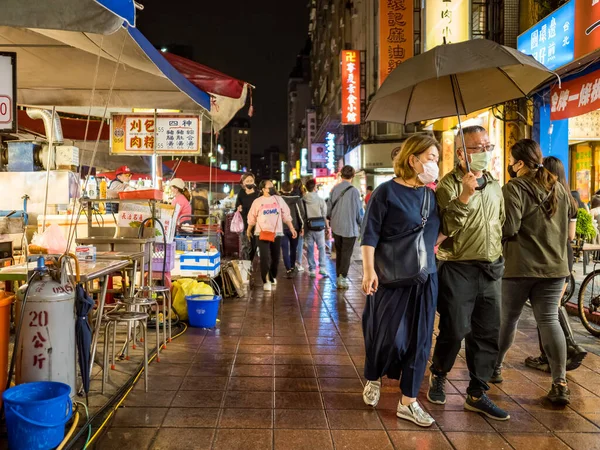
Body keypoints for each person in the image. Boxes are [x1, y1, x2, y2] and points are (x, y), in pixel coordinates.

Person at [427, 125, 509, 421]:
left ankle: (477, 391)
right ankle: (439, 373)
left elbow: (500, 221)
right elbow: (446, 227)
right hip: (458, 266)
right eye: (479, 147)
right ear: (462, 153)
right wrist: (465, 194)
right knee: (455, 327)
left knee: (487, 332)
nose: (486, 152)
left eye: (488, 146)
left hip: (491, 266)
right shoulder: (448, 185)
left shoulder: (495, 184)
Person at [361, 134, 441, 427]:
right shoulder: (385, 192)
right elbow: (369, 234)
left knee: (420, 340)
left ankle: (408, 401)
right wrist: (369, 271)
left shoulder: (430, 195)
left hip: (424, 276)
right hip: (390, 277)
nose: (434, 164)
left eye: (436, 159)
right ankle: (373, 376)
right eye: (431, 158)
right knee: (386, 335)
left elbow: (436, 236)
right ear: (413, 159)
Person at [493, 140, 577, 405]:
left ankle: (495, 368)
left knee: (508, 319)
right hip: (555, 268)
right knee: (549, 320)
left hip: (520, 267)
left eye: (511, 160)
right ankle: (559, 382)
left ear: (519, 163)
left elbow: (510, 228)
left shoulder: (515, 187)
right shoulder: (559, 189)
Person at [523, 156, 587, 374]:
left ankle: (556, 352)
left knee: (546, 312)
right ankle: (561, 350)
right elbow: (570, 235)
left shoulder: (541, 196)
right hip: (564, 256)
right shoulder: (571, 199)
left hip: (544, 255)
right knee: (551, 307)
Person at [247, 180, 297, 291]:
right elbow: (252, 217)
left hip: (277, 233)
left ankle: (272, 276)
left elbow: (286, 215)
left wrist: (291, 228)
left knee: (276, 257)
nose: (272, 189)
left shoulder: (279, 200)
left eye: (272, 186)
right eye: (269, 187)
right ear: (263, 189)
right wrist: (248, 230)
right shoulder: (257, 202)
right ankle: (266, 281)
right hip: (261, 233)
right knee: (265, 257)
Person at [328, 165, 363, 289]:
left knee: (339, 252)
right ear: (353, 176)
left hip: (336, 226)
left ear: (341, 175)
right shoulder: (354, 191)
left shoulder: (334, 189)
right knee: (346, 254)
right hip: (350, 227)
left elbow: (329, 209)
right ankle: (342, 278)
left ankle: (339, 276)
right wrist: (362, 225)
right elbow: (359, 212)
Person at [302, 178, 329, 278]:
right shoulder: (320, 200)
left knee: (310, 248)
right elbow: (324, 214)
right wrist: (327, 226)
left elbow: (303, 214)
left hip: (308, 227)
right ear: (314, 188)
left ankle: (312, 269)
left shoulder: (303, 200)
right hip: (319, 227)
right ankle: (322, 268)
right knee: (321, 247)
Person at [280, 181, 304, 277]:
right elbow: (301, 214)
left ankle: (288, 268)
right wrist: (302, 226)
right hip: (295, 227)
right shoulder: (297, 199)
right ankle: (293, 265)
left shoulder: (278, 200)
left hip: (282, 227)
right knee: (293, 248)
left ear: (281, 189)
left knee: (285, 248)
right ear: (291, 189)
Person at [236, 173, 260, 262]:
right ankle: (246, 263)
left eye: (251, 181)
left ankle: (251, 260)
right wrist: (238, 207)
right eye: (247, 181)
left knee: (254, 244)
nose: (249, 182)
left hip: (256, 223)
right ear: (243, 182)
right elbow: (237, 205)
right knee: (244, 245)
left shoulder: (258, 193)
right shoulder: (241, 193)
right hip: (244, 222)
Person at [292, 179, 306, 272]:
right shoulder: (301, 197)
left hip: (290, 223)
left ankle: (291, 264)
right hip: (298, 224)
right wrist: (302, 226)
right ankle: (299, 263)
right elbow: (302, 213)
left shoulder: (290, 195)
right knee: (300, 244)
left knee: (292, 245)